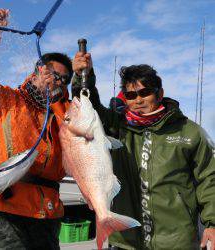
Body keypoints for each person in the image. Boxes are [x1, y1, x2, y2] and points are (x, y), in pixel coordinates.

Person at [72, 53, 215, 250]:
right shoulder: (116, 127)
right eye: (131, 95)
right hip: (126, 242)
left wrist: (212, 224)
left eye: (144, 92)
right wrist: (83, 76)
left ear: (160, 93)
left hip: (176, 241)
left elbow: (209, 179)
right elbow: (89, 106)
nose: (138, 100)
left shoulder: (189, 131)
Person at [0, 9, 73, 250]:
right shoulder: (6, 101)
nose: (56, 81)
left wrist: (56, 100)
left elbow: (82, 134)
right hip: (7, 208)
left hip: (49, 212)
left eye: (63, 80)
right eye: (52, 74)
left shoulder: (63, 114)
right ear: (36, 71)